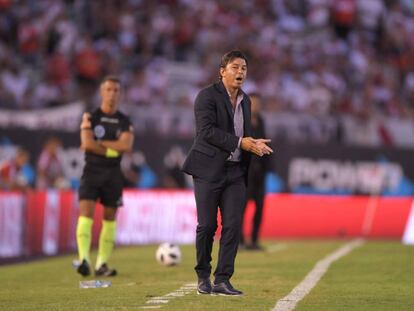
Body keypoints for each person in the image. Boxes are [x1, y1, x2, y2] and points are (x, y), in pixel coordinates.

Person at [182, 50, 273, 296]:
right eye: (235, 67)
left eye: (243, 68)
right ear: (222, 71)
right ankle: (203, 275)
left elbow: (242, 136)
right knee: (208, 225)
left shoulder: (246, 100)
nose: (240, 72)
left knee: (233, 226)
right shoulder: (206, 96)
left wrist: (252, 145)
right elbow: (206, 132)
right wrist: (241, 142)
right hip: (208, 170)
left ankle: (222, 279)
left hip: (235, 171)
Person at [75, 75, 134, 277]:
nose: (112, 93)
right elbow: (86, 144)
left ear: (120, 94)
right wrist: (112, 148)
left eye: (116, 90)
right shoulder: (91, 117)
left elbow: (126, 146)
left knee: (109, 218)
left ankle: (102, 264)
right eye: (108, 89)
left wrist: (99, 145)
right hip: (91, 171)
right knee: (86, 214)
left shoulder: (124, 121)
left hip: (113, 174)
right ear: (102, 92)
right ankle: (83, 259)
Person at [240, 93, 270, 251]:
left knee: (259, 208)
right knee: (241, 208)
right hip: (245, 172)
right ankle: (240, 241)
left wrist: (268, 167)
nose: (256, 106)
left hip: (259, 173)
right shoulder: (240, 120)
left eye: (258, 103)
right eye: (253, 103)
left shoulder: (262, 121)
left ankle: (254, 240)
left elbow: (265, 143)